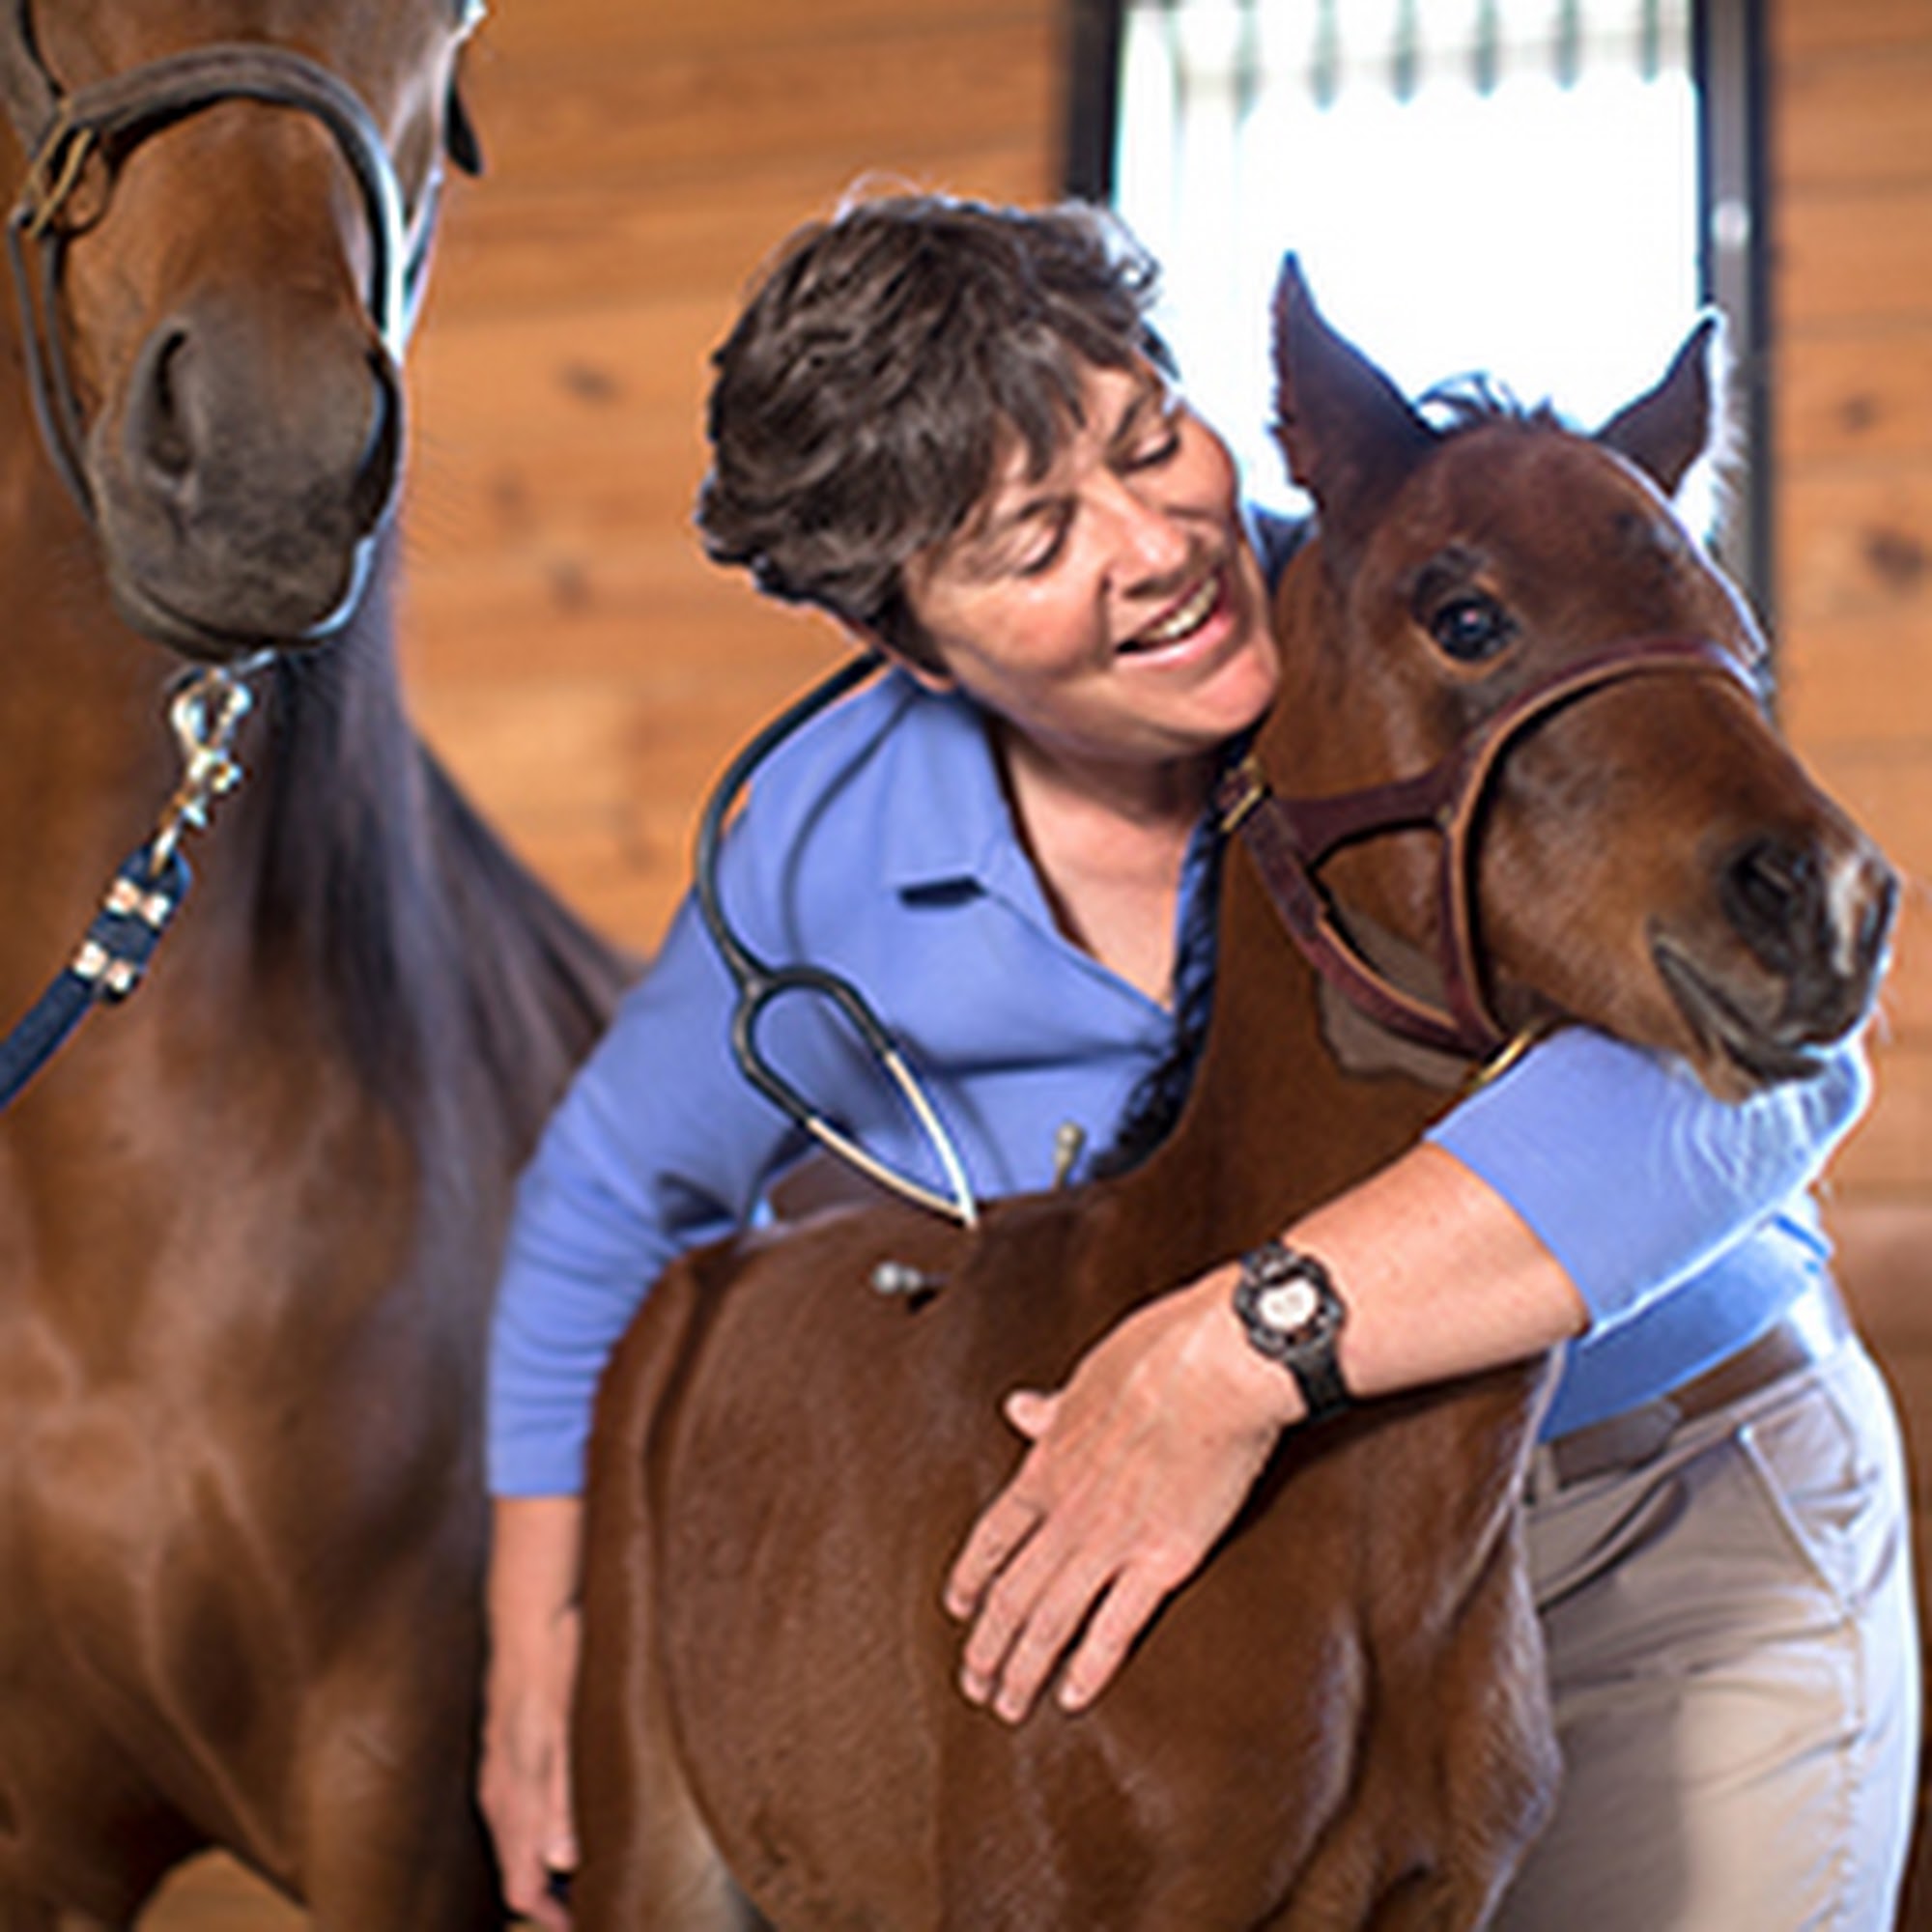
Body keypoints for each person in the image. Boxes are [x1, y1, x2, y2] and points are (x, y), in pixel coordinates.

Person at [479, 193, 1918, 1930]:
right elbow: (607, 1198)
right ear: (913, 642)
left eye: (1150, 441)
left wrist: (1242, 1348)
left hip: (1660, 1493)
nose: (1156, 547)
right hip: (1242, 1566)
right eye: (1029, 543)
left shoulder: (1436, 592)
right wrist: (542, 1631)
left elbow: (1783, 1047)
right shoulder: (834, 839)